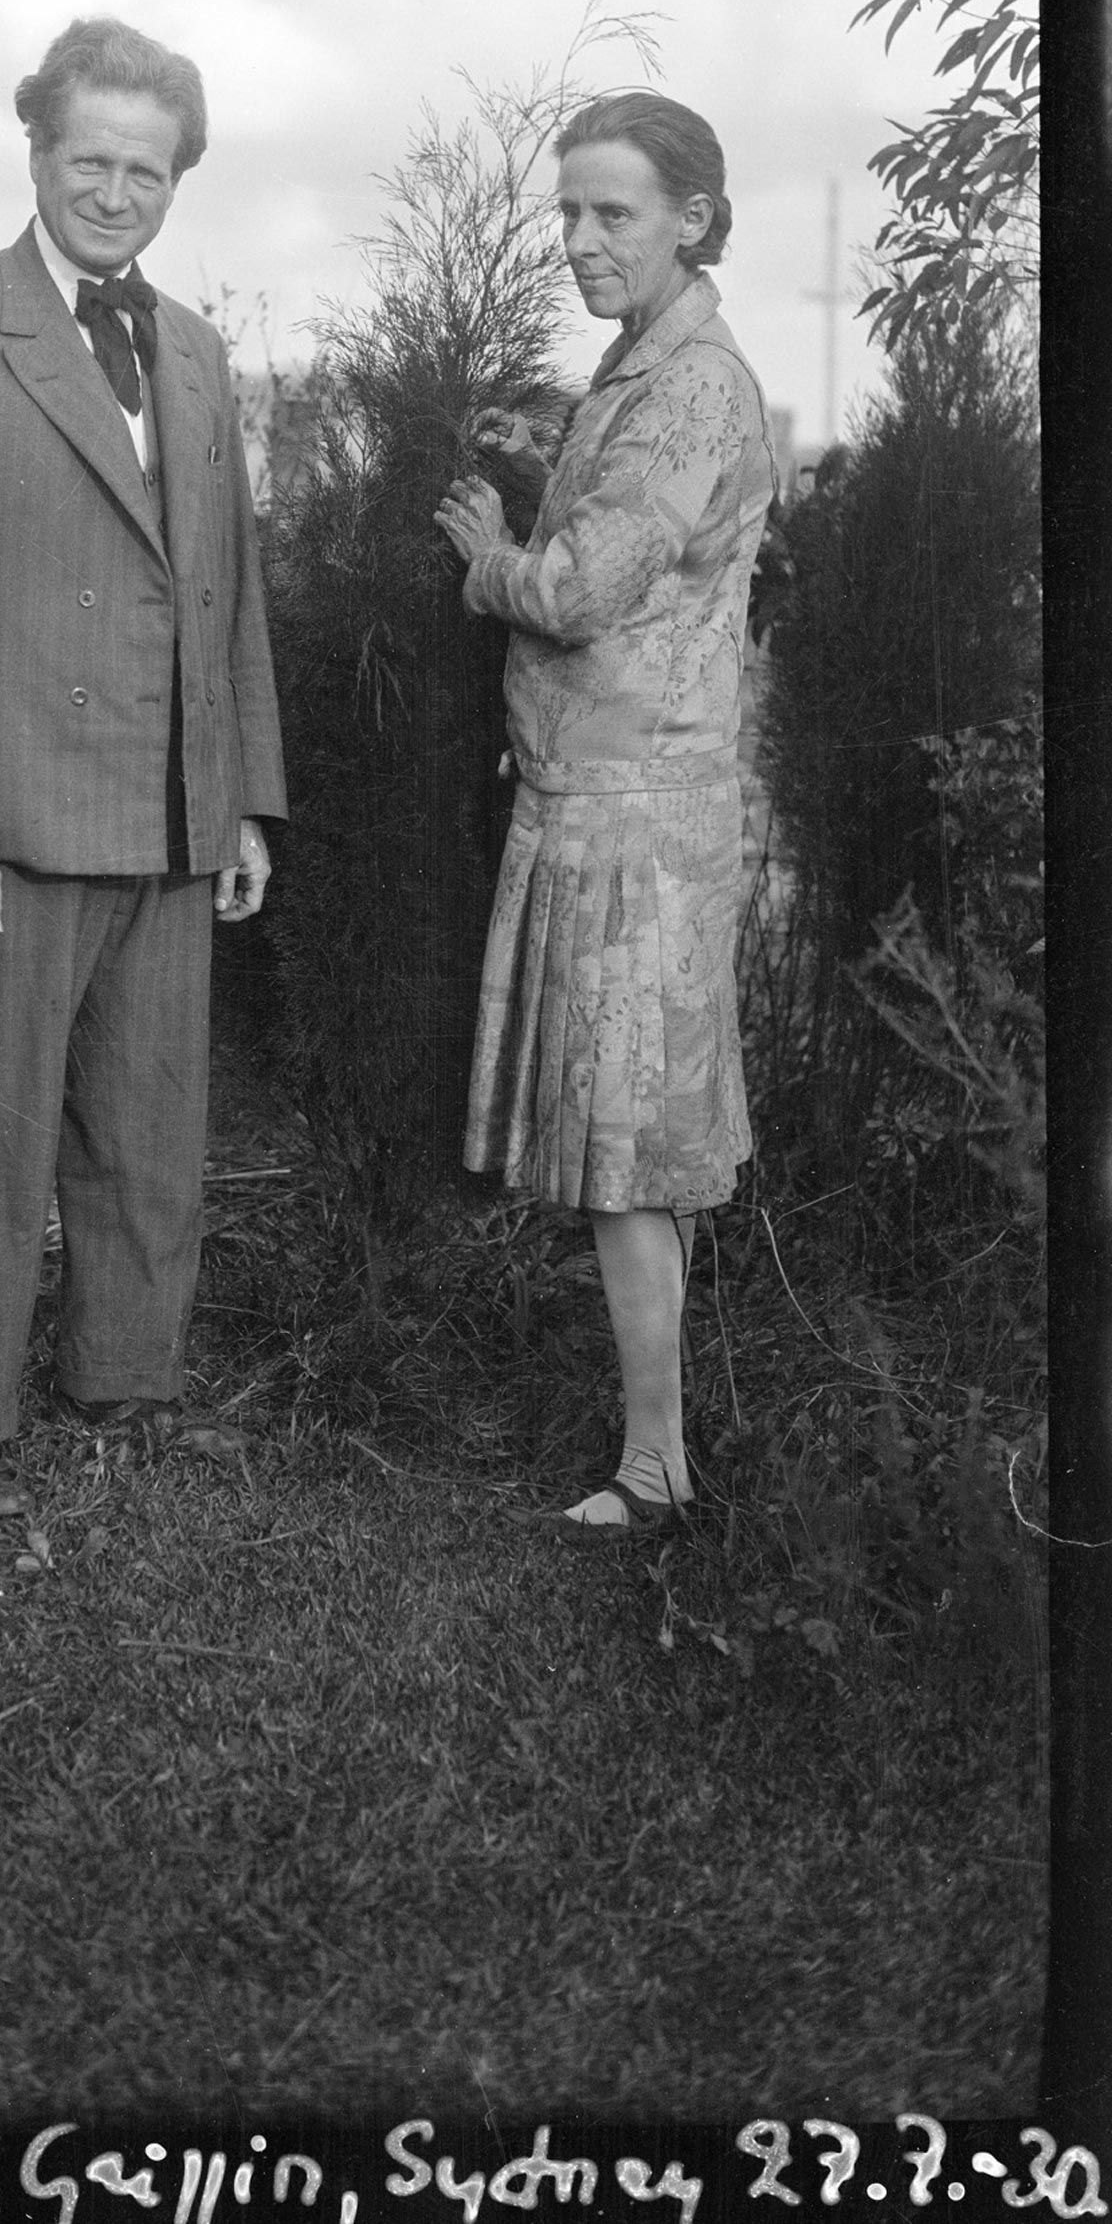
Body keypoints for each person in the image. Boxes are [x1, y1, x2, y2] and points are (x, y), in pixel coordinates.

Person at [0, 17, 287, 1516]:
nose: (116, 191)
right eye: (91, 159)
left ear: (178, 182)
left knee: (150, 1135)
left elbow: (227, 595)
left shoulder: (203, 357)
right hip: (11, 820)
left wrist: (240, 804)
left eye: (146, 170)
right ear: (36, 151)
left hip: (165, 816)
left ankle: (124, 1386)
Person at [434, 91, 777, 1537]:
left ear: (692, 219)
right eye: (568, 212)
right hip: (597, 809)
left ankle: (656, 1470)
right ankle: (659, 1447)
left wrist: (490, 552)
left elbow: (579, 590)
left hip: (638, 829)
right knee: (625, 1155)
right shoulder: (643, 367)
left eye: (612, 213)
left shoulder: (694, 385)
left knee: (633, 1158)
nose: (578, 241)